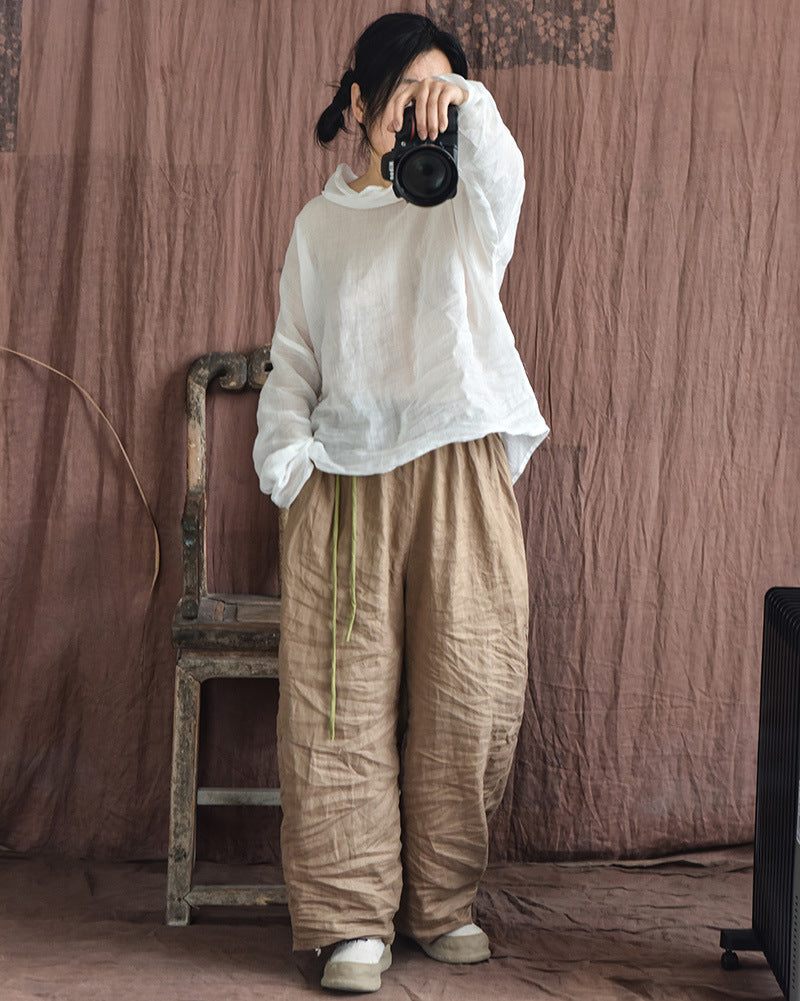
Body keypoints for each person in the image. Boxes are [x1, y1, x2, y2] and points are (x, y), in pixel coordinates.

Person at [253, 11, 549, 994]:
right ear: (358, 103)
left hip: (458, 464)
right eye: (405, 95)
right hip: (343, 484)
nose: (420, 114)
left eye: (437, 95)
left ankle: (442, 902)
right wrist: (288, 462)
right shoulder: (319, 226)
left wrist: (463, 106)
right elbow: (293, 359)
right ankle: (350, 920)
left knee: (470, 693)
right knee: (337, 704)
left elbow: (504, 174)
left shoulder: (464, 202)